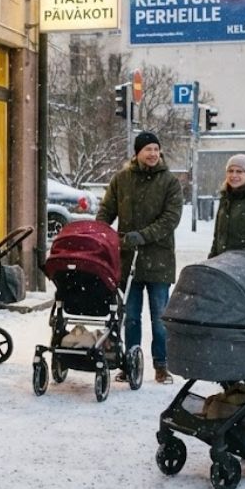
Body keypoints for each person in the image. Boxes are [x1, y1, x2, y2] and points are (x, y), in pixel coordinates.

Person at [96, 131, 184, 385]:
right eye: (148, 149)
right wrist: (101, 235)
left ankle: (161, 365)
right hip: (127, 261)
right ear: (137, 153)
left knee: (159, 317)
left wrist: (142, 236)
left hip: (159, 260)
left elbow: (170, 219)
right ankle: (129, 362)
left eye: (156, 149)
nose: (153, 154)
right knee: (130, 316)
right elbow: (106, 211)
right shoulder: (122, 180)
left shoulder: (169, 182)